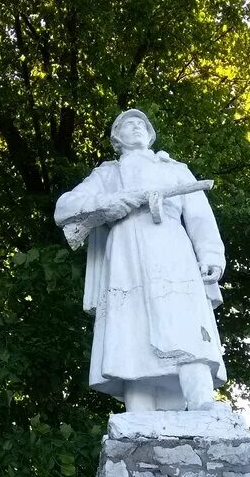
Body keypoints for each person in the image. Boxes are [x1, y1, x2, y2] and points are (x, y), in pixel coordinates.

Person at [55, 109, 227, 412]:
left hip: (173, 250)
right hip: (127, 254)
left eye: (141, 124)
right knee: (132, 328)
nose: (135, 128)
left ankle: (200, 400)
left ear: (150, 134)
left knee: (184, 321)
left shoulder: (175, 169)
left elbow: (201, 218)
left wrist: (211, 254)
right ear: (116, 139)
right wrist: (111, 203)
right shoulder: (107, 174)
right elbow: (65, 208)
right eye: (127, 125)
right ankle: (139, 410)